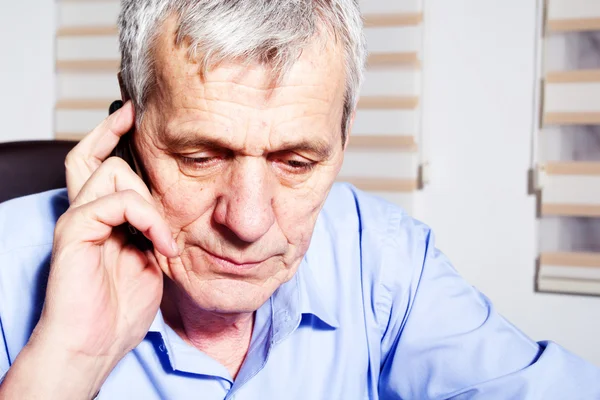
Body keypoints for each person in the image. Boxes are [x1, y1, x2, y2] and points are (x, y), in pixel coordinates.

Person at [1, 0, 599, 398]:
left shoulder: (380, 256)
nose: (250, 221)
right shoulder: (8, 269)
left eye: (297, 162)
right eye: (199, 157)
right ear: (127, 129)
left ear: (343, 137)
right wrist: (70, 362)